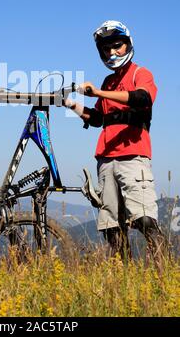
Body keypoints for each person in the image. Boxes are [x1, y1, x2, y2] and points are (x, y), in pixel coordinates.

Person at [64, 20, 168, 266]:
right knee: (111, 225)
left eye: (117, 46)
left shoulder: (140, 73)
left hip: (133, 156)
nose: (112, 52)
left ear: (128, 44)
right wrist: (72, 105)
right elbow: (99, 118)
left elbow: (143, 98)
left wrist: (98, 93)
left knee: (144, 219)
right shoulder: (108, 82)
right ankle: (124, 279)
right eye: (106, 49)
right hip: (106, 159)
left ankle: (166, 279)